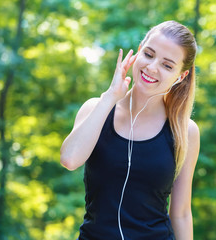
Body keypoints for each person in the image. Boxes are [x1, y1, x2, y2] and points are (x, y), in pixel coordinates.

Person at [60, 20, 200, 240]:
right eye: (149, 54)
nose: (152, 67)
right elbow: (69, 159)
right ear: (138, 51)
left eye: (167, 65)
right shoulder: (96, 108)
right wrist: (110, 98)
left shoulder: (184, 130)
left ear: (180, 76)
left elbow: (181, 213)